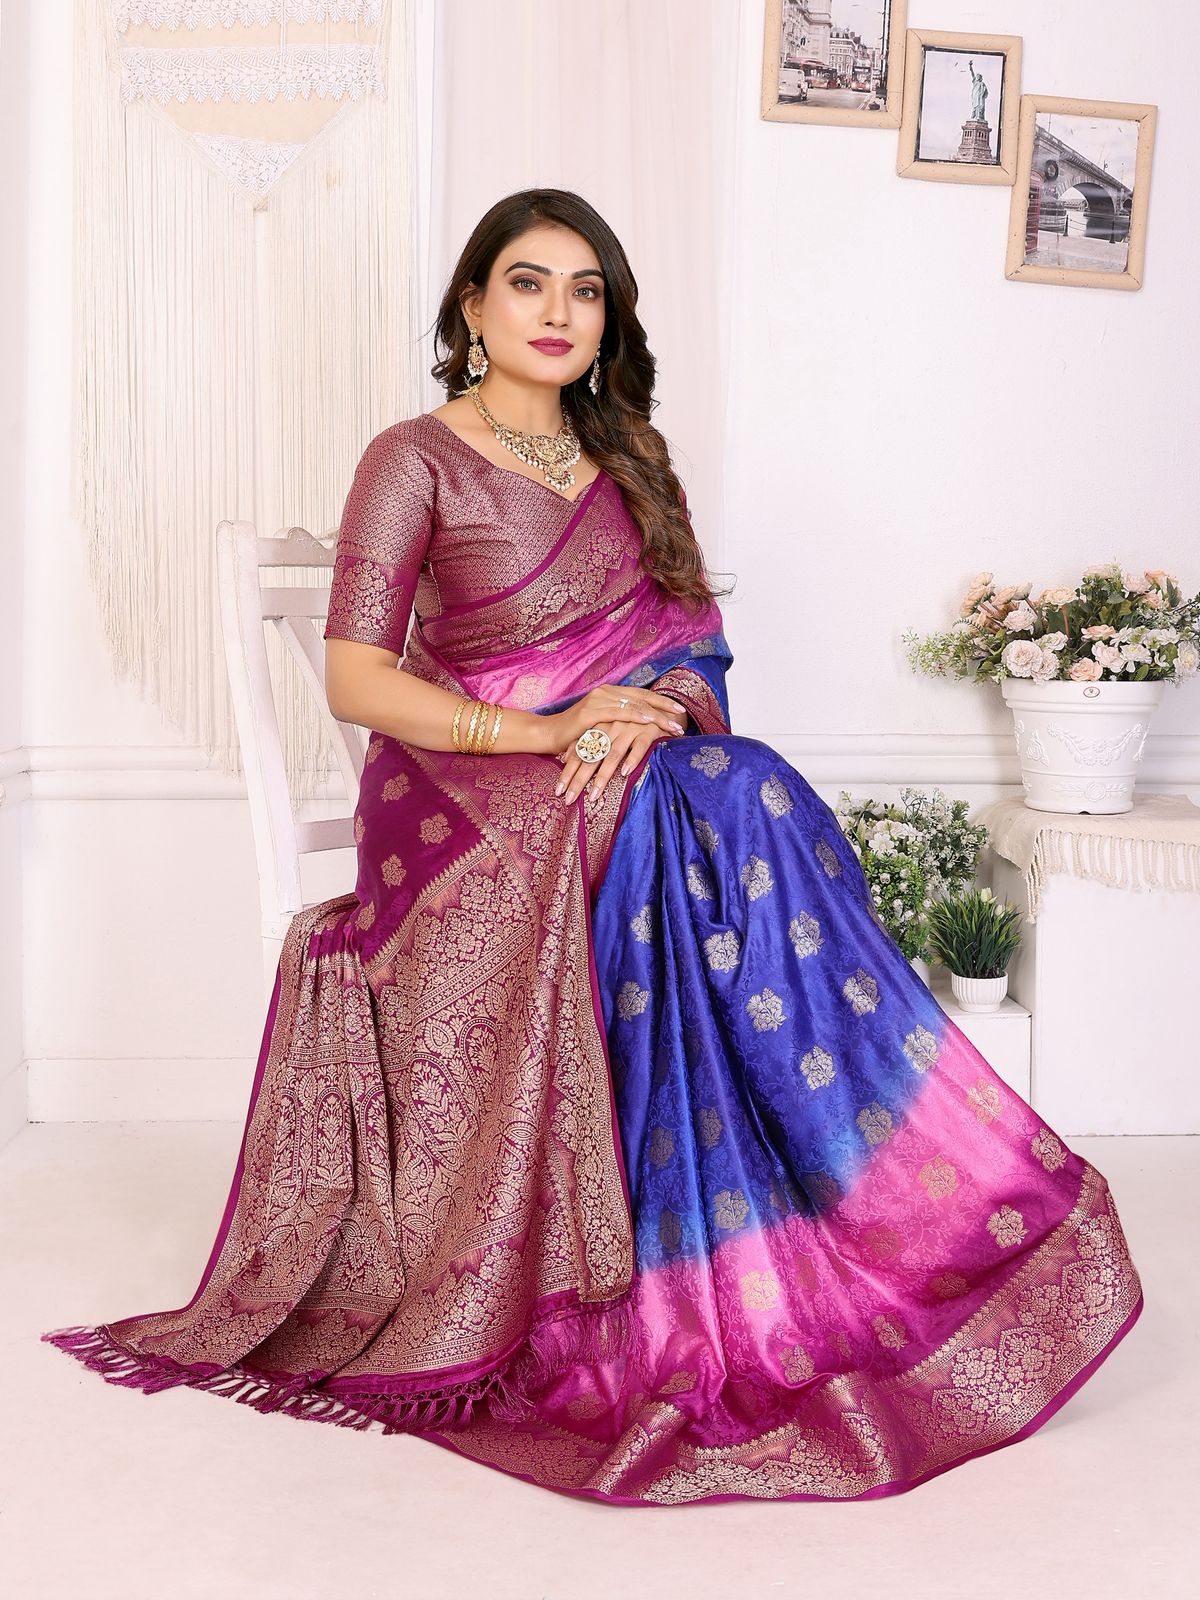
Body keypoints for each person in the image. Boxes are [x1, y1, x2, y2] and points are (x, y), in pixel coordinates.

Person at [43, 188, 1143, 1507]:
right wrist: (550, 727)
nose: (558, 311)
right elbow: (354, 679)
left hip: (621, 769)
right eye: (528, 282)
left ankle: (860, 1214)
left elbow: (693, 653)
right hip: (461, 794)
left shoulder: (632, 460)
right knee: (710, 804)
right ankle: (836, 1205)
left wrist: (656, 708)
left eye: (586, 289)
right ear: (473, 307)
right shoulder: (412, 459)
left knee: (736, 790)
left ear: (609, 319)